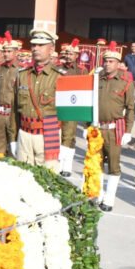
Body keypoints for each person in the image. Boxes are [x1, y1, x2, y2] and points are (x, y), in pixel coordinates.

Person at [14, 29, 64, 168]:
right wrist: (14, 138)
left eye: (41, 45)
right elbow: (15, 109)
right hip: (24, 134)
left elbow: (67, 114)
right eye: (34, 45)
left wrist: (66, 143)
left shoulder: (60, 77)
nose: (36, 48)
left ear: (51, 48)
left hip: (47, 134)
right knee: (22, 175)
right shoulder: (23, 75)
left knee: (46, 179)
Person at [94, 42, 135, 212]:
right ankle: (98, 194)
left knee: (113, 164)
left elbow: (131, 107)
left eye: (111, 61)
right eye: (105, 61)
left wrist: (128, 130)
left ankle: (109, 198)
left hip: (113, 128)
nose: (107, 64)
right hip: (97, 127)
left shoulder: (125, 81)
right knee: (96, 163)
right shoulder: (98, 79)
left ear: (118, 64)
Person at [58, 38, 84, 177]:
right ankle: (58, 162)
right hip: (57, 107)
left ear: (76, 56)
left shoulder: (81, 70)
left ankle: (66, 165)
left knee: (69, 136)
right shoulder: (57, 68)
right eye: (67, 53)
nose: (68, 56)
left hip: (72, 107)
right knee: (58, 135)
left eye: (71, 54)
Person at [0, 36, 20, 158]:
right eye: (4, 51)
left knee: (13, 140)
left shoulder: (21, 70)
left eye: (9, 51)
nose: (6, 54)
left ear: (16, 52)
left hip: (13, 112)